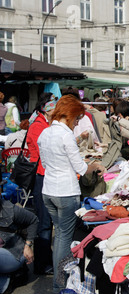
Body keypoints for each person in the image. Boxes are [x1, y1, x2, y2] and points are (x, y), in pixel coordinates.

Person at [37, 94, 106, 294]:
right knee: (64, 238)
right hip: (65, 192)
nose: (77, 123)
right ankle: (60, 283)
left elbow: (44, 163)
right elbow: (81, 168)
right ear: (70, 115)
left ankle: (59, 282)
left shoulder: (45, 133)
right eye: (77, 119)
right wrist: (96, 166)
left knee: (59, 237)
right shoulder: (65, 134)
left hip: (48, 191)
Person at [26, 92, 57, 275]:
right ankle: (41, 264)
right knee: (44, 222)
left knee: (47, 221)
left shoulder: (45, 123)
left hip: (46, 175)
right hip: (41, 177)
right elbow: (45, 152)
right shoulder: (38, 126)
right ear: (47, 108)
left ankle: (46, 258)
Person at [0, 198, 39, 294]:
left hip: (14, 253)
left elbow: (34, 220)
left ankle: (10, 277)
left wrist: (28, 245)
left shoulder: (8, 209)